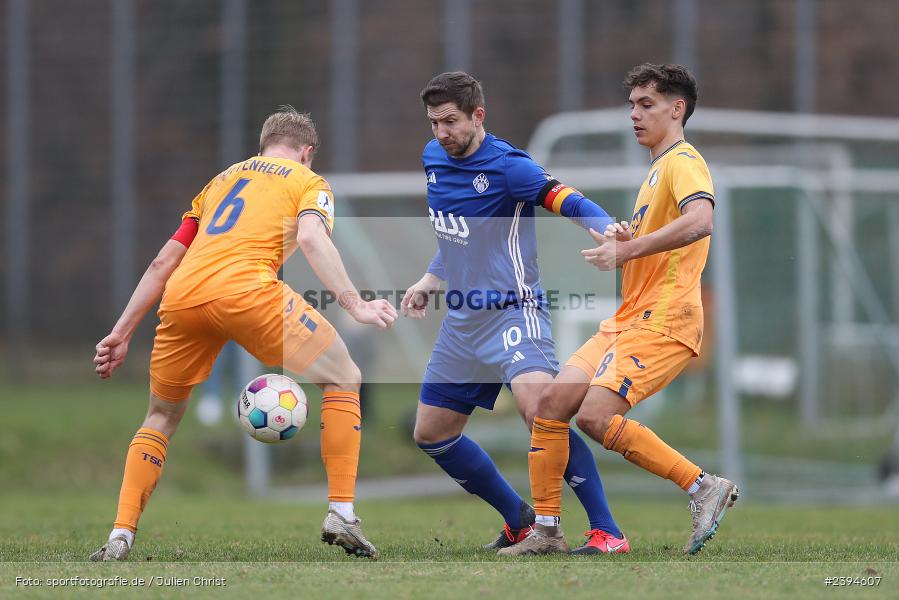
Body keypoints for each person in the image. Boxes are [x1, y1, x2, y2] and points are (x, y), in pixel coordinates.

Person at [90, 106, 396, 561]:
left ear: (263, 145)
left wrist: (121, 331)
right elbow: (312, 239)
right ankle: (342, 512)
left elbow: (162, 262)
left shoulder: (220, 181)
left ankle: (120, 536)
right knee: (344, 377)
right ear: (307, 152)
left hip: (184, 299)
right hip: (249, 294)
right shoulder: (307, 182)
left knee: (159, 418)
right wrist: (357, 304)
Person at [502, 63, 738, 557]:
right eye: (631, 104)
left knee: (592, 414)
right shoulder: (656, 168)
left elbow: (701, 220)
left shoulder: (682, 161)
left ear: (677, 110)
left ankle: (702, 487)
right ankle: (547, 532)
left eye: (646, 105)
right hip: (630, 316)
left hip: (665, 319)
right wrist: (629, 239)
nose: (634, 114)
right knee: (551, 404)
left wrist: (628, 251)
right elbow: (664, 239)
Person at [401, 72, 628, 554]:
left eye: (451, 121)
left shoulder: (509, 167)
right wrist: (430, 279)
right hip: (463, 321)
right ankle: (519, 521)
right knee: (432, 433)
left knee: (541, 412)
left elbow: (568, 198)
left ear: (478, 116)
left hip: (512, 313)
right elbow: (459, 234)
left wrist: (606, 228)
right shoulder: (432, 158)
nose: (441, 132)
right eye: (433, 122)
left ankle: (607, 530)